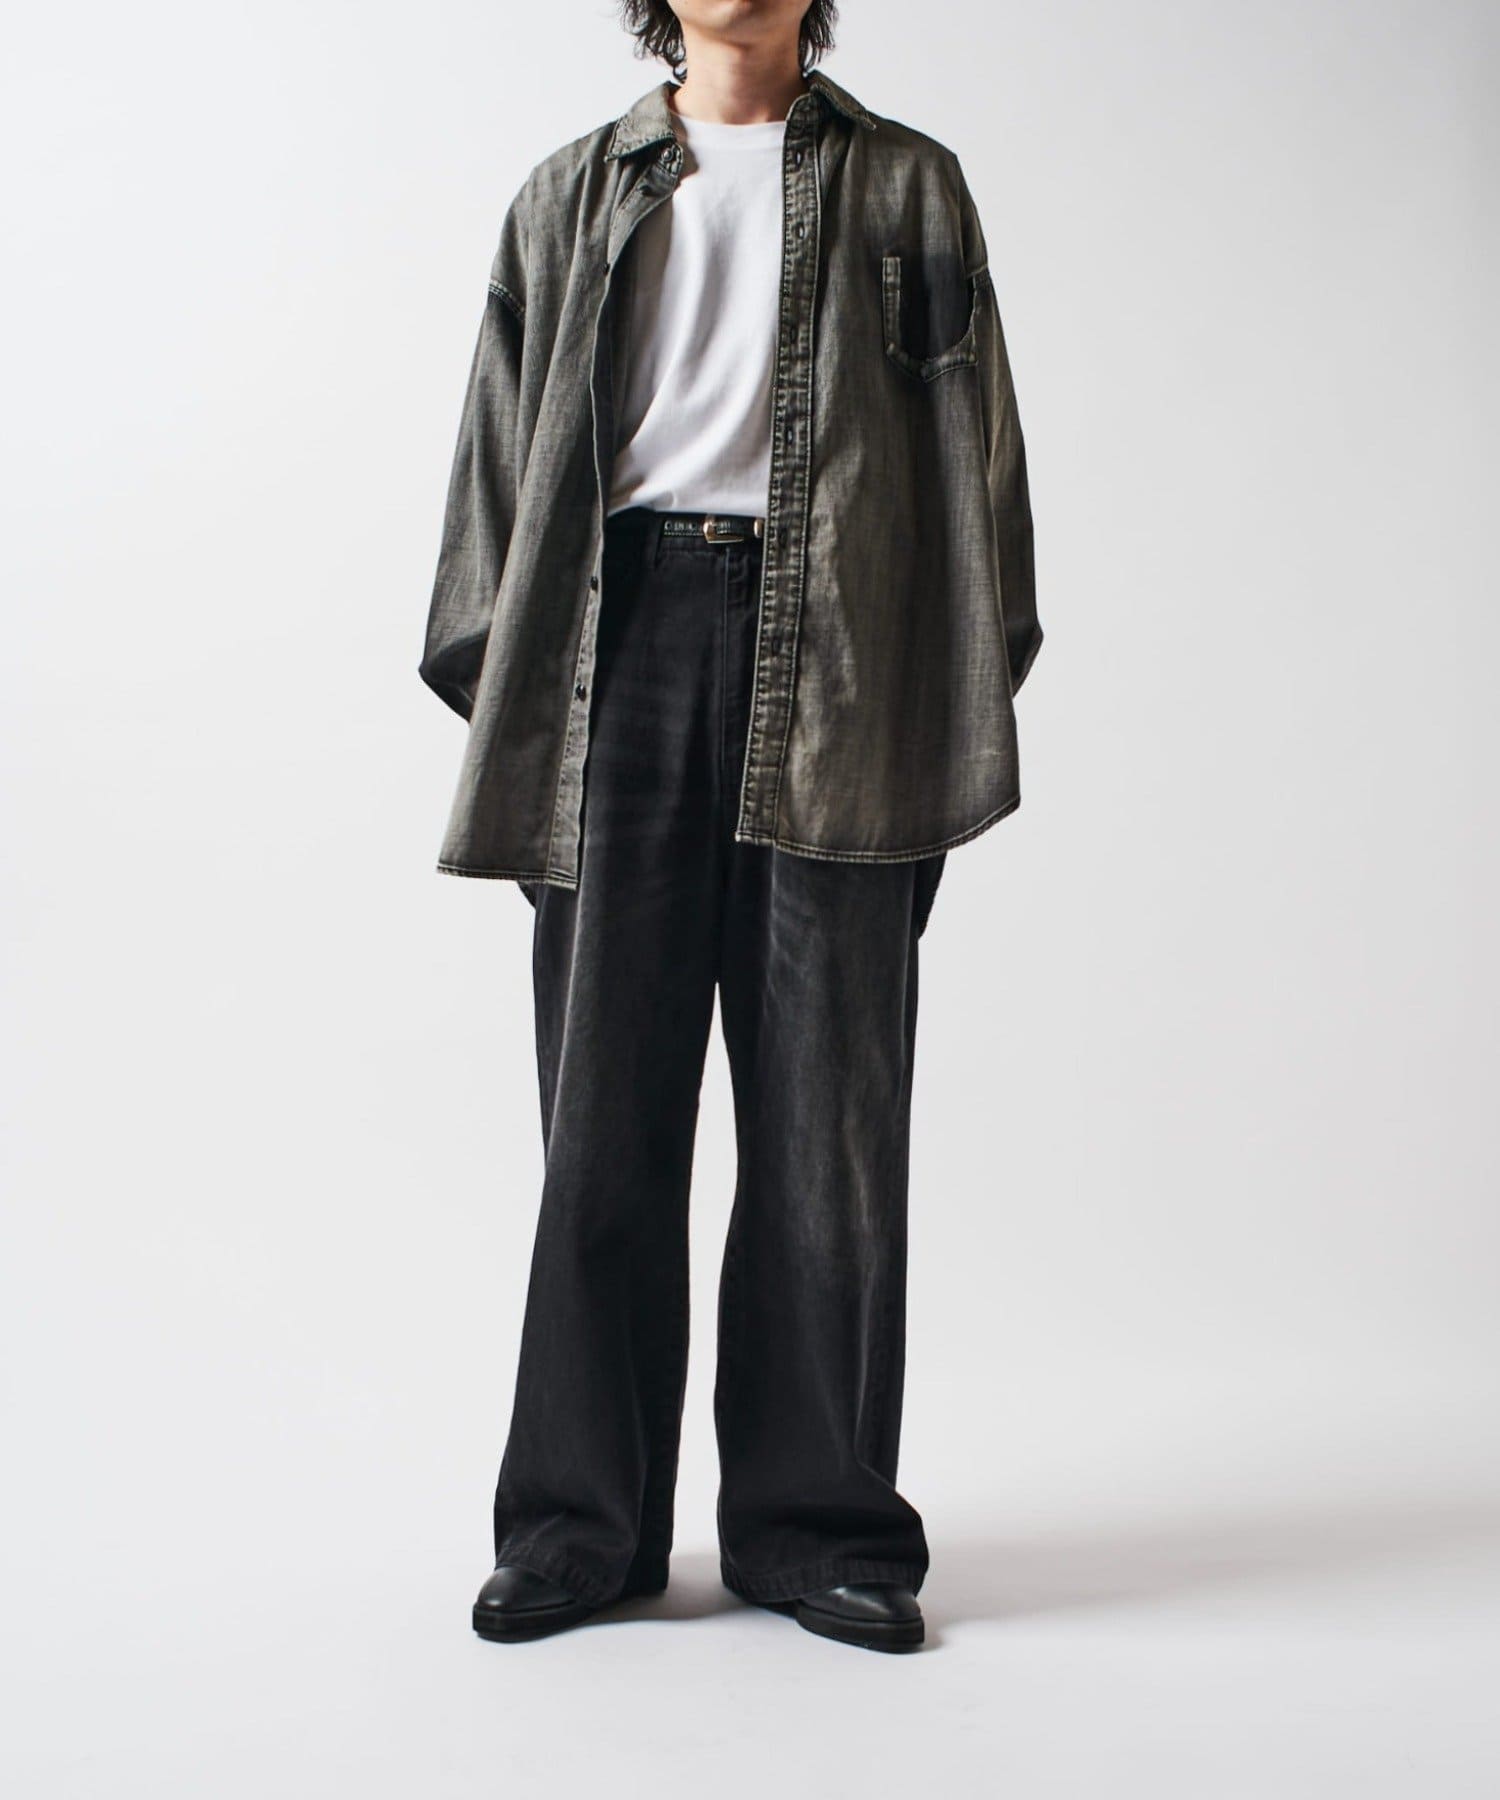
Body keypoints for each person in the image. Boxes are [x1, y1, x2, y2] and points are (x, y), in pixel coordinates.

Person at [419, 0, 1040, 1655]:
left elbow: (980, 465)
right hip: (617, 651)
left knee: (829, 1130)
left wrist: (941, 697)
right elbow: (496, 465)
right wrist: (522, 697)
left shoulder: (911, 189)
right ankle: (577, 1529)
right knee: (602, 1121)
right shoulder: (569, 191)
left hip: (841, 658)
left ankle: (819, 1529)